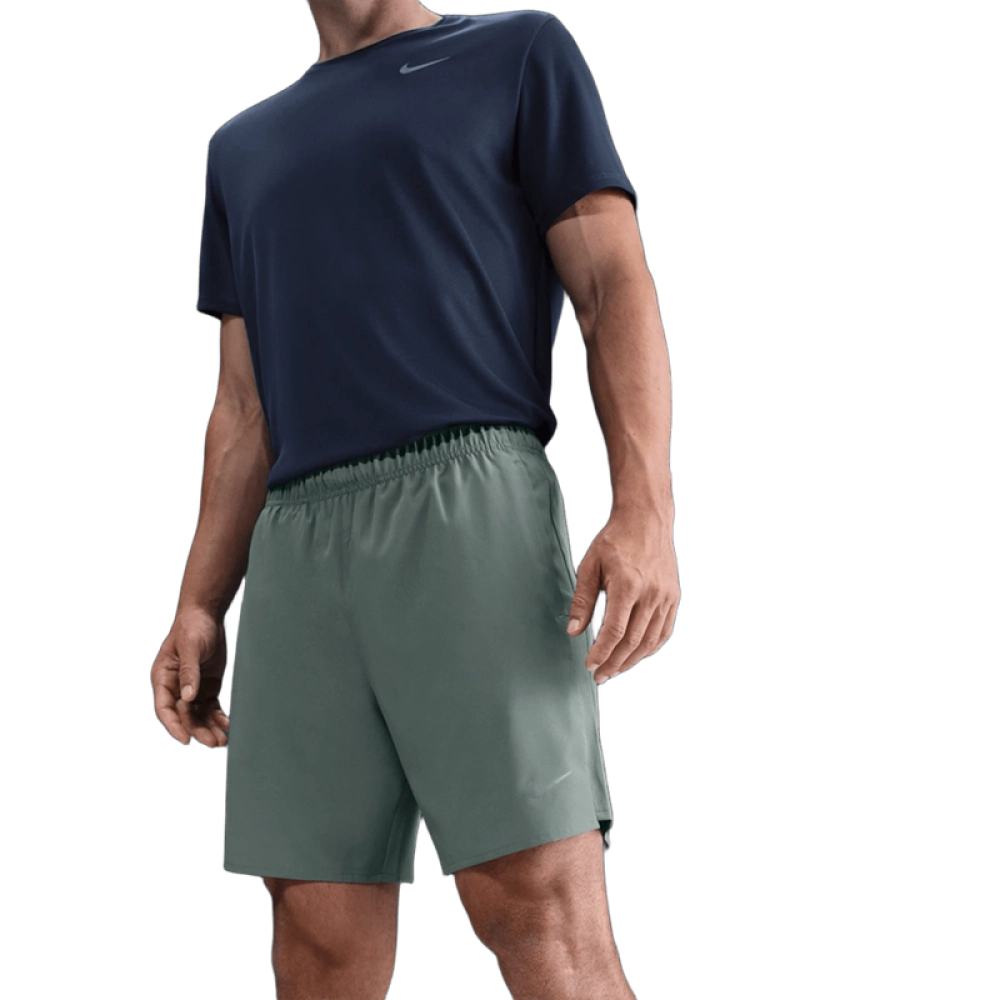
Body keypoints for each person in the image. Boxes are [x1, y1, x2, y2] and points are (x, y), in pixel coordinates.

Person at [157, 3, 678, 997]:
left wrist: (645, 511)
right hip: (299, 542)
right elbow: (245, 403)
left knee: (533, 903)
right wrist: (200, 600)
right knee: (314, 934)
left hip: (467, 498)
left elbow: (611, 283)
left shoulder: (516, 53)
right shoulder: (242, 146)